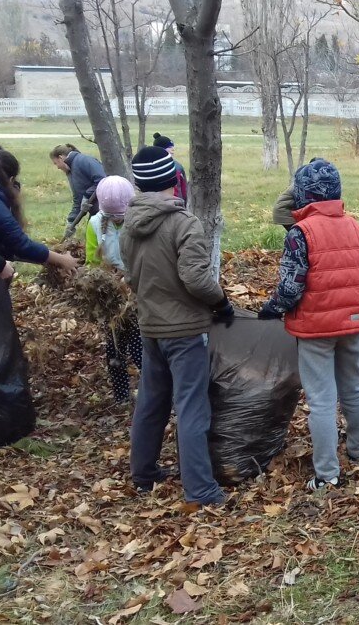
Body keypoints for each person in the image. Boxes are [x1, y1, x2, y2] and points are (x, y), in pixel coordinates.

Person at [120, 145, 233, 506]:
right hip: (185, 332)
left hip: (151, 326)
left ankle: (144, 472)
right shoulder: (183, 223)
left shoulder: (129, 224)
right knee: (191, 406)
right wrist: (221, 303)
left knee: (152, 400)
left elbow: (132, 276)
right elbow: (196, 280)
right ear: (175, 180)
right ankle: (200, 490)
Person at [257, 158, 359, 491]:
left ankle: (327, 473)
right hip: (353, 321)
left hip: (316, 327)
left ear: (303, 193)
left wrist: (273, 308)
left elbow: (291, 286)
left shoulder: (301, 232)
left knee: (322, 399)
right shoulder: (355, 225)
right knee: (353, 387)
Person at [85, 176, 143, 404]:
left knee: (141, 349)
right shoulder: (94, 224)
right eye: (114, 217)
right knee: (115, 349)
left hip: (139, 295)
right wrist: (107, 277)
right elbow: (92, 260)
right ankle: (121, 396)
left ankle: (154, 394)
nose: (118, 220)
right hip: (112, 298)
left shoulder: (140, 222)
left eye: (121, 216)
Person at [0, 150, 78, 280]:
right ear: (11, 179)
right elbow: (18, 243)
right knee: (2, 275)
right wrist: (63, 260)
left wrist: (44, 257)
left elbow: (4, 243)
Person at [50, 144, 108, 239]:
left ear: (60, 158)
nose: (57, 167)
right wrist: (71, 222)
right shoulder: (70, 171)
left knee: (99, 241)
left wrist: (87, 195)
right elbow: (78, 199)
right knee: (91, 238)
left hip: (107, 210)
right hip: (95, 212)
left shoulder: (83, 161)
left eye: (56, 163)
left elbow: (102, 180)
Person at [152, 133, 189, 203]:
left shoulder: (178, 167)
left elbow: (184, 189)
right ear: (161, 149)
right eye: (169, 147)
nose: (173, 149)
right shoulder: (151, 167)